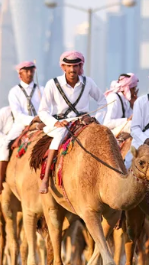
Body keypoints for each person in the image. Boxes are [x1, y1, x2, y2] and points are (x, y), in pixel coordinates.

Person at [0, 61, 43, 208]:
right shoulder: (14, 92)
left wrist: (44, 119)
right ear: (20, 74)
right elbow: (18, 114)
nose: (30, 73)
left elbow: (46, 108)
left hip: (42, 123)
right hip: (22, 124)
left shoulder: (41, 89)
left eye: (31, 71)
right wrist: (33, 120)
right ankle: (0, 182)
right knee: (4, 147)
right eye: (26, 71)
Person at [37, 51, 106, 193]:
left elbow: (102, 101)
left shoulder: (88, 82)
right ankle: (45, 179)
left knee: (103, 138)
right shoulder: (53, 84)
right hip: (60, 124)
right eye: (68, 66)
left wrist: (96, 119)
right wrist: (55, 123)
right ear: (63, 67)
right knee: (59, 135)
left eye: (75, 66)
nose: (72, 70)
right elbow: (43, 111)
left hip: (83, 123)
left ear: (80, 66)